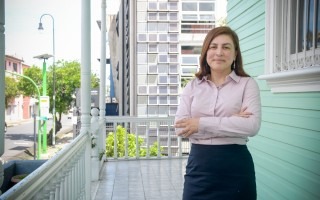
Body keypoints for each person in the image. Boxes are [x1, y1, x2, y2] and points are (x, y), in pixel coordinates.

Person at [175, 26, 261, 200]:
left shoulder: (247, 84)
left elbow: (251, 126)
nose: (219, 52)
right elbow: (180, 127)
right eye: (213, 47)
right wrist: (231, 121)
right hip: (199, 168)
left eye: (226, 47)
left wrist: (200, 123)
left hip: (236, 170)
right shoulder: (192, 87)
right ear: (206, 52)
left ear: (235, 53)